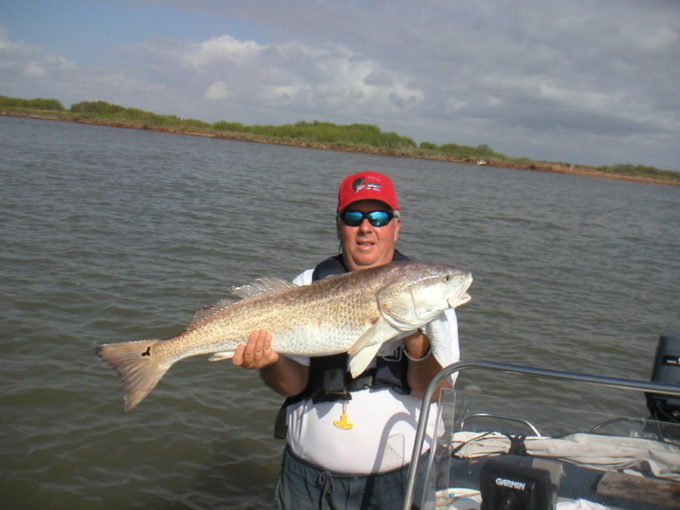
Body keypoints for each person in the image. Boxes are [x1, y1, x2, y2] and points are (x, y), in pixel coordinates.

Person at [232, 170, 460, 510]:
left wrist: (416, 341)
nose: (366, 227)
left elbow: (438, 391)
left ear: (396, 226)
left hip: (398, 483)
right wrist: (270, 361)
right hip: (307, 483)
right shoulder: (307, 284)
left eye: (379, 217)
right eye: (354, 217)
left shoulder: (426, 292)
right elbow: (292, 386)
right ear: (339, 226)